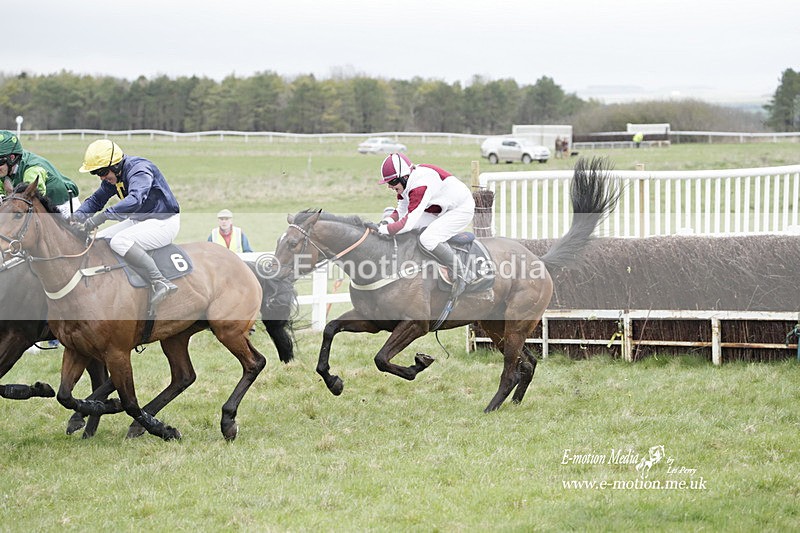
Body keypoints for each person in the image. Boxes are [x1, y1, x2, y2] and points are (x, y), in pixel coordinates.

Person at [73, 139, 180, 310]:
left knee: (119, 241)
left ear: (115, 165)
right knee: (98, 240)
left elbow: (136, 199)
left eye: (102, 171)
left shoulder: (139, 169)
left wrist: (101, 218)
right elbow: (96, 200)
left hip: (163, 222)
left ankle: (160, 281)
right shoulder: (114, 177)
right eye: (96, 173)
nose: (101, 177)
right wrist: (76, 218)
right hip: (140, 220)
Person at [376, 153, 475, 300]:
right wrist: (386, 223)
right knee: (408, 232)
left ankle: (463, 274)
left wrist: (383, 230)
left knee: (427, 239)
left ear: (404, 177)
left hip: (460, 208)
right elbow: (401, 210)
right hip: (439, 208)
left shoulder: (420, 186)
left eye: (393, 181)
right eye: (388, 182)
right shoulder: (406, 184)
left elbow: (407, 223)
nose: (390, 186)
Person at [0, 130, 80, 216]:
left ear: (12, 158)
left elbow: (31, 198)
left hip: (63, 205)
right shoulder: (5, 168)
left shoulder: (32, 170)